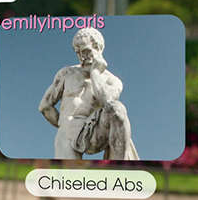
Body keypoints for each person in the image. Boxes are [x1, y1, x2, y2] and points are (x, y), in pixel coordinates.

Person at [39, 27, 139, 161]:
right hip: (66, 134)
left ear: (98, 48)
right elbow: (45, 106)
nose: (82, 57)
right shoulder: (67, 73)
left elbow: (109, 104)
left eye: (86, 51)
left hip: (94, 132)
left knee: (117, 109)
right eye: (78, 52)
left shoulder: (112, 80)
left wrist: (95, 73)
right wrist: (64, 124)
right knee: (70, 178)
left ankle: (120, 166)